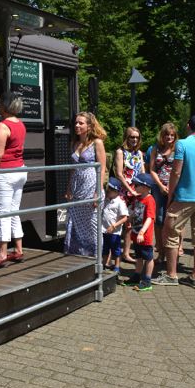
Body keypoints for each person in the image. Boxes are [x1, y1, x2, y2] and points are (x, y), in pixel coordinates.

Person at [152, 115, 195, 288]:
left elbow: (176, 172)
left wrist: (171, 194)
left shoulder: (182, 144)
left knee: (171, 234)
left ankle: (171, 275)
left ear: (188, 126)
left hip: (183, 197)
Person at [0, 92, 27, 267]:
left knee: (2, 213)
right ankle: (18, 250)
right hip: (20, 170)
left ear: (5, 106)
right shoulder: (20, 124)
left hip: (5, 173)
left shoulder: (3, 126)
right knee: (13, 211)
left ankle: (2, 254)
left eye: (0, 102)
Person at [64, 112, 107, 257]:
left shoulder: (97, 143)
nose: (77, 125)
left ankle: (96, 257)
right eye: (76, 123)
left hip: (91, 186)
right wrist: (69, 188)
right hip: (77, 187)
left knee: (92, 225)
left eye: (81, 123)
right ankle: (78, 255)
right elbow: (72, 169)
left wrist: (98, 191)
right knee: (75, 223)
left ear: (89, 126)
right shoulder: (74, 143)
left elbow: (102, 168)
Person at [114, 127, 145, 263]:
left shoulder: (139, 153)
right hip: (123, 192)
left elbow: (142, 172)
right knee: (117, 223)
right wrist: (129, 189)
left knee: (130, 225)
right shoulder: (120, 152)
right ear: (126, 138)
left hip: (136, 192)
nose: (135, 139)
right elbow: (119, 174)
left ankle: (126, 253)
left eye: (137, 137)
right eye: (132, 137)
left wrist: (144, 189)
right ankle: (111, 253)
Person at [148, 123, 178, 263]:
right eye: (167, 135)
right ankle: (161, 252)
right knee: (159, 219)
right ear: (162, 135)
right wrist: (160, 185)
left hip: (174, 188)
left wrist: (171, 187)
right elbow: (152, 169)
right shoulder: (156, 149)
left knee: (174, 220)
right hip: (158, 187)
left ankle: (174, 252)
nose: (169, 137)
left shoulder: (178, 149)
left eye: (172, 135)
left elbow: (180, 170)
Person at [123, 173, 156, 291]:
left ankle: (147, 280)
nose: (134, 187)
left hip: (144, 236)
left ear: (145, 187)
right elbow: (134, 212)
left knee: (148, 257)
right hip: (135, 233)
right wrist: (129, 220)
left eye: (137, 185)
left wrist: (142, 232)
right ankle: (137, 276)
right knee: (139, 256)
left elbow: (150, 218)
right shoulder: (137, 198)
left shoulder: (150, 200)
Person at [102, 177, 128, 273]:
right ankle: (104, 264)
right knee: (105, 249)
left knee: (116, 250)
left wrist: (114, 226)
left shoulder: (120, 202)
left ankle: (117, 266)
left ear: (116, 191)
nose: (107, 192)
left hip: (114, 232)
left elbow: (125, 217)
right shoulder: (105, 200)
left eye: (110, 190)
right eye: (107, 190)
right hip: (104, 230)